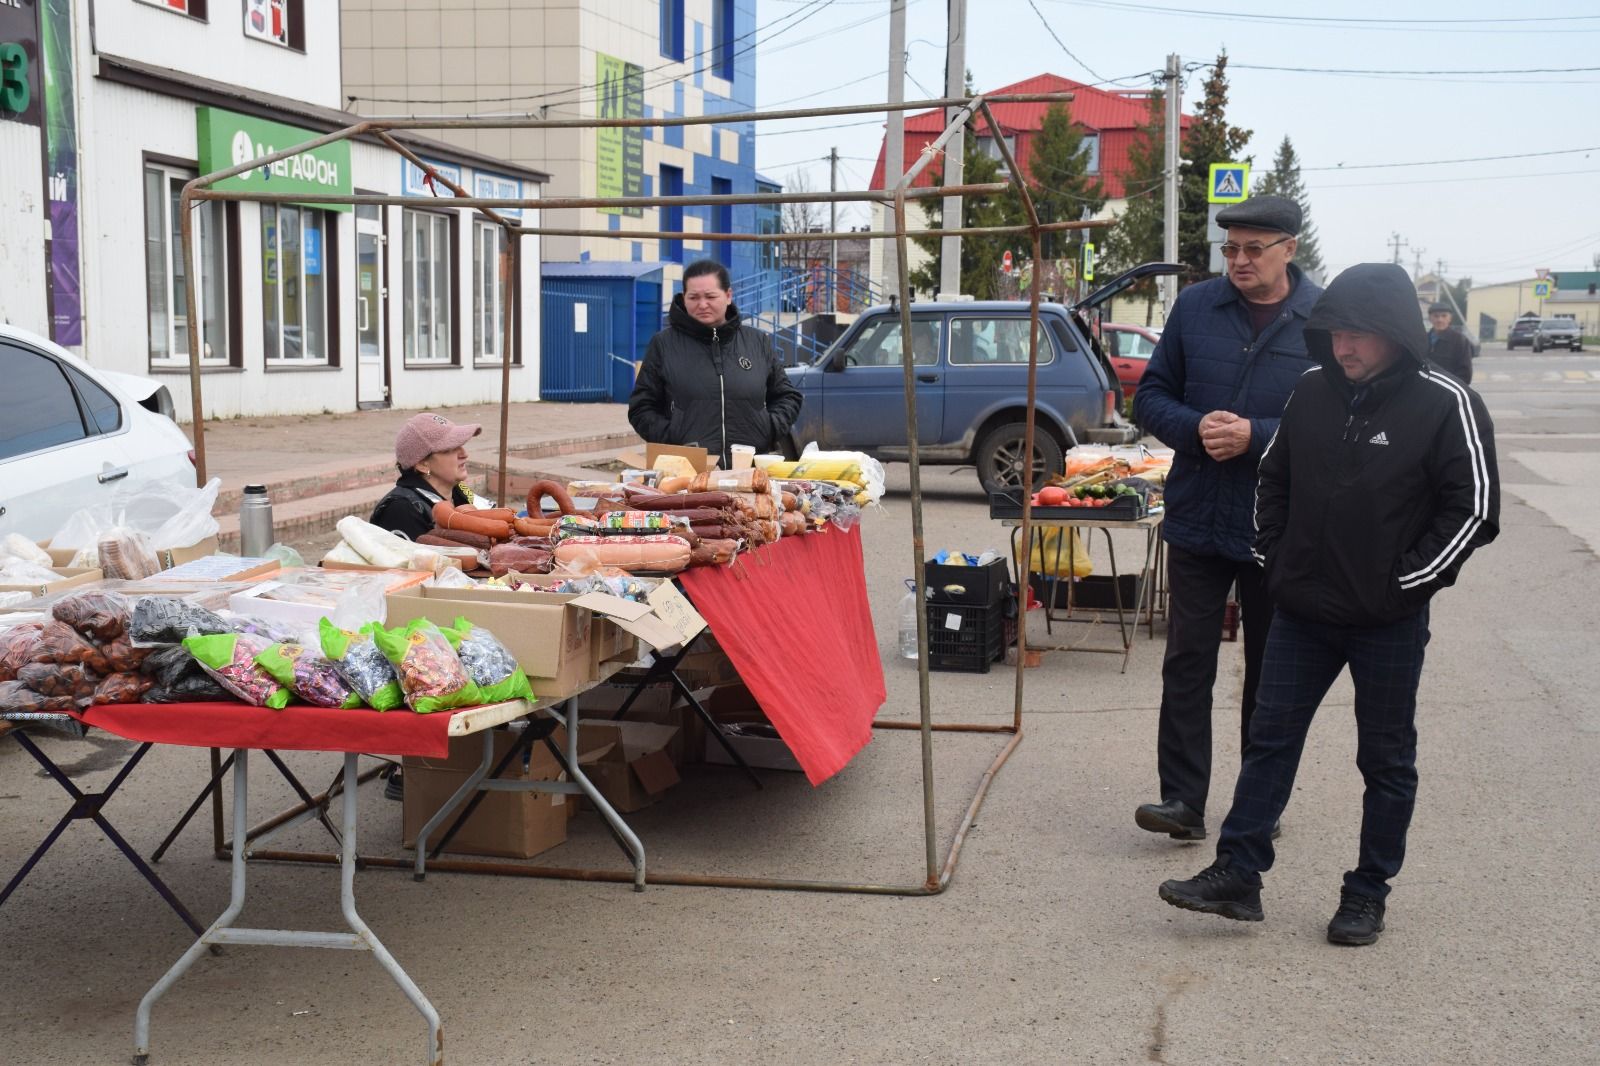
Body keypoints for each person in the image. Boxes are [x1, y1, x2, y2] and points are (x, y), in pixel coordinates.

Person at [1158, 263, 1499, 946]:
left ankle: (1367, 892)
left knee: (1386, 760)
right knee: (1269, 742)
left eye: (1361, 335)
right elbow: (1273, 478)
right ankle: (1238, 874)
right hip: (1302, 612)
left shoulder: (1446, 402)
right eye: (1338, 332)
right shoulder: (1312, 390)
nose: (1345, 346)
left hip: (1388, 621)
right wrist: (1276, 559)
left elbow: (1474, 510)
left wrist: (1405, 584)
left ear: (1396, 335)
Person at [1131, 195, 1323, 842]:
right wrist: (1194, 428)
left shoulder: (1322, 321)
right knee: (1187, 662)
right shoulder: (1195, 308)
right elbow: (1150, 396)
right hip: (1197, 518)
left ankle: (1257, 806)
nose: (1238, 261)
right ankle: (1182, 802)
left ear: (1288, 250)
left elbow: (1342, 423)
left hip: (1281, 528)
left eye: (1253, 249)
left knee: (1273, 672)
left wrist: (1258, 436)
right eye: (1231, 249)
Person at [629, 259, 803, 469]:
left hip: (749, 470)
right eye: (693, 297)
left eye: (711, 296)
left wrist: (768, 428)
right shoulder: (664, 344)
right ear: (684, 298)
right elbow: (641, 407)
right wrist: (672, 438)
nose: (702, 304)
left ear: (728, 296)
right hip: (687, 473)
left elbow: (788, 396)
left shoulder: (757, 342)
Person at [369, 412, 484, 542]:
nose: (464, 454)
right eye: (450, 448)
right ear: (423, 465)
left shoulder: (459, 492)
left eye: (461, 445)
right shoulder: (402, 510)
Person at [1426, 302, 1474, 384]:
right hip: (1426, 389)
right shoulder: (1423, 339)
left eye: (1444, 316)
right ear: (1430, 318)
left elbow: (1465, 373)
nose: (1440, 320)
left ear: (1450, 318)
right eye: (1436, 316)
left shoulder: (1460, 340)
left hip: (1448, 391)